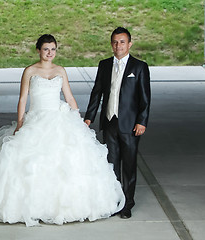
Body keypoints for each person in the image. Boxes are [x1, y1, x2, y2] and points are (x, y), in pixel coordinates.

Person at [0, 34, 125, 227]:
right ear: (38, 50)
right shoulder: (30, 71)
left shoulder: (60, 70)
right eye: (46, 49)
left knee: (66, 163)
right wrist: (19, 123)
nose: (50, 53)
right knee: (30, 164)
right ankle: (32, 207)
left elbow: (69, 96)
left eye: (53, 49)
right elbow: (23, 99)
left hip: (59, 118)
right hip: (36, 118)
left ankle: (63, 206)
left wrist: (78, 118)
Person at [84, 27, 151, 219]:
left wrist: (142, 121)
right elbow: (96, 92)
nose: (118, 45)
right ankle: (115, 201)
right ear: (111, 44)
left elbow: (145, 97)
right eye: (115, 42)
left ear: (129, 44)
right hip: (109, 121)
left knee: (129, 165)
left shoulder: (139, 67)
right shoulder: (104, 65)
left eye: (122, 42)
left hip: (130, 124)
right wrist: (89, 117)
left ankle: (128, 203)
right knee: (112, 164)